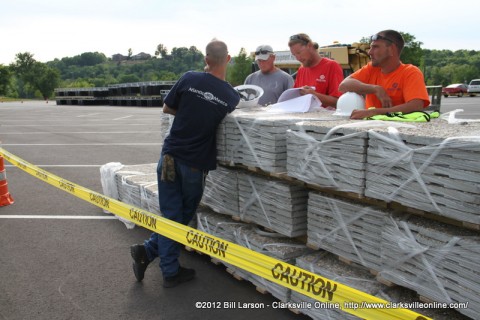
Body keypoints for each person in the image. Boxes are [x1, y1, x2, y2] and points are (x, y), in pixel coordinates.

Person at [130, 39, 240, 288]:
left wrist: (190, 111)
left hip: (169, 157)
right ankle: (169, 272)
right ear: (229, 59)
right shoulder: (231, 96)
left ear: (206, 59)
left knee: (171, 215)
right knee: (179, 219)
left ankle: (146, 252)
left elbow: (168, 107)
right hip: (194, 164)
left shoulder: (189, 78)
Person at [338, 29, 430, 120]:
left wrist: (373, 112)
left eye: (375, 47)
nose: (370, 52)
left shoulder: (410, 72)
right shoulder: (371, 69)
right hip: (370, 129)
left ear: (392, 49)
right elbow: (343, 85)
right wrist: (375, 89)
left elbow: (416, 106)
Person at [288, 33, 344, 108]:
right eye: (294, 55)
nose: (298, 58)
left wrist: (314, 95)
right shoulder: (301, 69)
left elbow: (339, 102)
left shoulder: (332, 66)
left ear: (309, 46)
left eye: (299, 53)